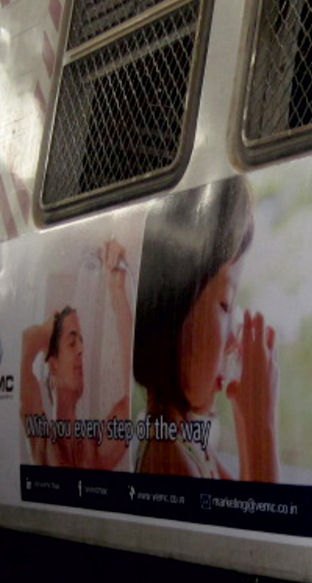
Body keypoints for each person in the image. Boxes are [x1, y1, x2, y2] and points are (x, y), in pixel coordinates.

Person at [134, 177, 279, 481]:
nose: (233, 341)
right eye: (225, 305)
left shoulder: (190, 443)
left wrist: (247, 417)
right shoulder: (168, 456)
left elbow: (242, 502)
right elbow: (262, 511)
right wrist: (259, 427)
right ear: (175, 306)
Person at [20, 239, 133, 470]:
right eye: (72, 343)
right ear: (53, 364)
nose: (82, 350)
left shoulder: (92, 448)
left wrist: (117, 292)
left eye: (81, 342)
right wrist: (45, 331)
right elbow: (22, 355)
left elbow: (134, 398)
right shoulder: (42, 442)